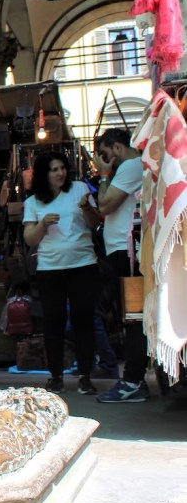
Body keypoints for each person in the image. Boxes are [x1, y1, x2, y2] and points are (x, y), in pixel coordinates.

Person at [23, 152, 100, 395]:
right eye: (54, 169)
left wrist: (87, 207)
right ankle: (56, 376)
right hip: (50, 268)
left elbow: (94, 222)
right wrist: (43, 224)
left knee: (83, 318)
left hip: (84, 264)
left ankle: (85, 375)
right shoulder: (33, 202)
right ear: (44, 174)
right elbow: (29, 239)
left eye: (62, 168)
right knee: (53, 321)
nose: (60, 173)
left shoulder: (79, 189)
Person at [93, 128, 150, 403]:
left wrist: (103, 175)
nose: (103, 161)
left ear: (116, 148)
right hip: (124, 250)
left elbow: (105, 206)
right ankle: (134, 379)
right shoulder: (133, 167)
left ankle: (133, 381)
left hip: (127, 252)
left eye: (104, 154)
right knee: (131, 317)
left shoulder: (130, 165)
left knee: (133, 318)